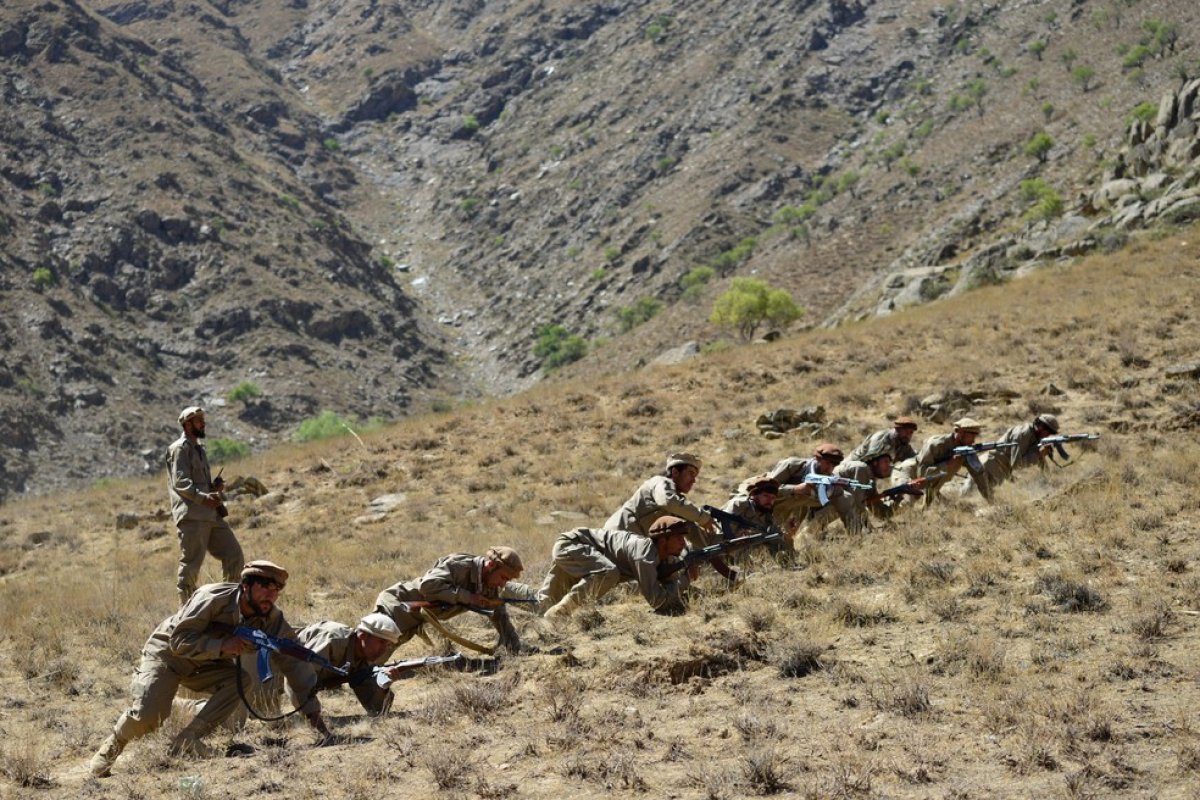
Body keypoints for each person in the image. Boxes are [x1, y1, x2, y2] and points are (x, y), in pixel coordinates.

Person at [88, 561, 330, 777]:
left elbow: (294, 661)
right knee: (148, 717)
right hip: (168, 655)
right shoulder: (212, 598)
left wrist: (312, 714)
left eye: (277, 590)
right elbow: (179, 640)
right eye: (265, 587)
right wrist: (224, 646)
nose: (271, 595)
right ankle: (114, 744)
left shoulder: (271, 618)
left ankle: (188, 739)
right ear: (245, 586)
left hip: (207, 664)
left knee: (240, 682)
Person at [374, 546, 534, 655]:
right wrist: (468, 597)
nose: (502, 583)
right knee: (369, 651)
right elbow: (428, 586)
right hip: (398, 604)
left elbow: (498, 613)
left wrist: (513, 644)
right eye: (503, 577)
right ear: (491, 565)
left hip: (417, 616)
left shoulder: (489, 584)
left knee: (376, 658)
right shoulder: (460, 566)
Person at [539, 516, 694, 618]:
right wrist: (686, 579)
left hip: (585, 557)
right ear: (662, 541)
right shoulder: (644, 555)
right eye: (678, 538)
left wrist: (681, 580)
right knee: (608, 573)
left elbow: (669, 594)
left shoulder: (665, 558)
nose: (683, 542)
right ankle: (562, 612)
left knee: (542, 605)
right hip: (571, 546)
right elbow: (657, 600)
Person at [604, 453, 730, 579]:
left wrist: (723, 544)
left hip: (633, 548)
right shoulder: (660, 482)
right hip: (617, 539)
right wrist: (703, 518)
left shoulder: (679, 504)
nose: (694, 480)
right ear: (675, 472)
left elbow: (691, 530)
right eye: (691, 473)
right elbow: (668, 501)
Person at [167, 406, 243, 604]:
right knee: (191, 564)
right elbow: (181, 482)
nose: (203, 423)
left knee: (234, 555)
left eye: (203, 419)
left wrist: (214, 487)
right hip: (193, 517)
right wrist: (203, 497)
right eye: (199, 420)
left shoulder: (199, 449)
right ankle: (187, 611)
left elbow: (199, 484)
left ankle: (229, 604)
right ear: (187, 424)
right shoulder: (179, 449)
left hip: (211, 515)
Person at [284, 613, 405, 716]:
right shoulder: (333, 640)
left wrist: (384, 685)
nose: (384, 650)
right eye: (382, 642)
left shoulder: (364, 659)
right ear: (363, 635)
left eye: (388, 645)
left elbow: (377, 710)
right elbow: (296, 675)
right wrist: (312, 717)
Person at [895, 417, 993, 506]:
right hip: (908, 471)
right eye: (972, 437)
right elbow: (922, 473)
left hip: (930, 482)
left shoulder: (965, 450)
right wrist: (947, 464)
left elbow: (979, 475)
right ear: (961, 433)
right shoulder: (936, 444)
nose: (973, 441)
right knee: (905, 503)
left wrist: (991, 501)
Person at [804, 444, 895, 534]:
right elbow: (856, 503)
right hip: (817, 502)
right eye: (886, 462)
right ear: (875, 462)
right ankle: (808, 531)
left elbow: (878, 510)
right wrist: (869, 527)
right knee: (843, 502)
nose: (888, 466)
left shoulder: (869, 478)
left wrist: (898, 495)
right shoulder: (861, 469)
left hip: (823, 502)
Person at [971, 414, 1060, 496]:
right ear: (1041, 427)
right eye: (1048, 432)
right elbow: (1017, 464)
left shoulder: (1035, 436)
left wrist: (1049, 479)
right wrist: (1038, 454)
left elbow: (1038, 459)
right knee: (967, 497)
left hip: (997, 469)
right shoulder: (1023, 434)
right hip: (987, 469)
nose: (1048, 436)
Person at [763, 442, 846, 528]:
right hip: (763, 508)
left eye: (834, 466)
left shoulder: (829, 481)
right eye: (827, 463)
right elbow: (764, 488)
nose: (830, 469)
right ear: (818, 459)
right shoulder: (793, 466)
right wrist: (794, 489)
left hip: (790, 514)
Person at [720, 475, 791, 558]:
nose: (770, 501)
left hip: (740, 555)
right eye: (766, 496)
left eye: (773, 497)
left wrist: (788, 537)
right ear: (754, 495)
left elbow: (779, 545)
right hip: (716, 548)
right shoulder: (739, 506)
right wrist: (737, 536)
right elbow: (723, 533)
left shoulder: (768, 518)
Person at [848, 416, 919, 465]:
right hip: (853, 466)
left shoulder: (903, 443)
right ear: (898, 429)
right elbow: (870, 461)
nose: (908, 435)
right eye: (906, 431)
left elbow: (915, 460)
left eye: (911, 432)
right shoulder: (881, 438)